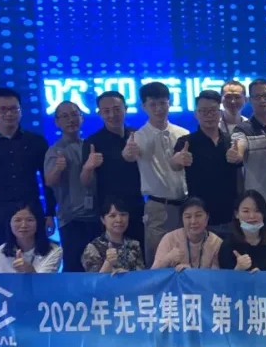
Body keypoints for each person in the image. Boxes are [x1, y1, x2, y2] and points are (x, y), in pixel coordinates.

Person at [0, 87, 55, 258]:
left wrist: (50, 212)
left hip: (30, 210)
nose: (8, 114)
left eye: (13, 109)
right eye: (2, 109)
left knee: (36, 259)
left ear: (20, 110)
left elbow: (47, 181)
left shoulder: (36, 141)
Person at [0, 202, 64, 347]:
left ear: (39, 222)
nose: (23, 225)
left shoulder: (54, 249)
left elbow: (45, 285)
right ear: (9, 223)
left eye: (30, 220)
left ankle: (52, 344)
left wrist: (30, 270)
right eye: (17, 220)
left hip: (42, 303)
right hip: (12, 306)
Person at [123, 81, 190, 266]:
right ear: (144, 106)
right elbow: (129, 155)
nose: (159, 109)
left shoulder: (183, 133)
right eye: (153, 104)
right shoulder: (138, 136)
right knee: (158, 259)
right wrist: (128, 153)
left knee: (185, 257)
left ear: (170, 102)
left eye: (163, 103)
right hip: (158, 207)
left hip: (185, 204)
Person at [152, 197, 223, 347]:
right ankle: (183, 346)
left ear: (207, 217)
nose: (193, 221)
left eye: (198, 215)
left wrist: (193, 275)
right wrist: (168, 259)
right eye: (188, 216)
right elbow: (152, 274)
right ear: (182, 219)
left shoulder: (216, 242)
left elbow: (218, 277)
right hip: (175, 297)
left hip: (205, 293)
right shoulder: (170, 239)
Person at [80, 197, 146, 347]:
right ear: (103, 219)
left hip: (131, 296)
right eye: (112, 215)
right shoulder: (93, 247)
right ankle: (105, 345)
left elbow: (142, 276)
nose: (119, 220)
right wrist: (109, 264)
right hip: (104, 301)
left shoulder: (134, 245)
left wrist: (127, 278)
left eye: (123, 215)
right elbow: (93, 285)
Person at [174, 90, 242, 238]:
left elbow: (240, 164)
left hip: (230, 216)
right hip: (200, 218)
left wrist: (238, 157)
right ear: (196, 114)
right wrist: (179, 159)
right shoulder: (186, 142)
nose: (209, 115)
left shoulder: (231, 141)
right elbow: (175, 163)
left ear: (220, 113)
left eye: (213, 111)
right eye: (204, 111)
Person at [82, 91, 145, 246]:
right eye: (106, 111)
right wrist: (89, 167)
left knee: (140, 250)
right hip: (109, 210)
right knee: (111, 253)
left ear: (126, 109)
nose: (112, 115)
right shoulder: (92, 142)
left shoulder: (138, 135)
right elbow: (85, 182)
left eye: (117, 109)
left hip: (137, 206)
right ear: (99, 113)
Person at [45, 101, 100, 272]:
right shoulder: (55, 151)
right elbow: (49, 182)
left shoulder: (91, 146)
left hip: (96, 217)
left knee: (98, 265)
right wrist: (58, 169)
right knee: (74, 266)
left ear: (82, 118)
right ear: (57, 122)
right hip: (71, 218)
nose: (71, 120)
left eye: (74, 114)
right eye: (65, 116)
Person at [232, 78, 266, 215]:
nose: (262, 100)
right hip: (259, 202)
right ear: (249, 100)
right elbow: (239, 145)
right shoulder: (243, 129)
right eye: (257, 97)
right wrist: (236, 154)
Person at [218, 191, 266, 271]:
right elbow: (225, 277)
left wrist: (263, 276)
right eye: (246, 211)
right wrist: (238, 269)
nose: (252, 216)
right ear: (236, 214)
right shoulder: (228, 243)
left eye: (257, 210)